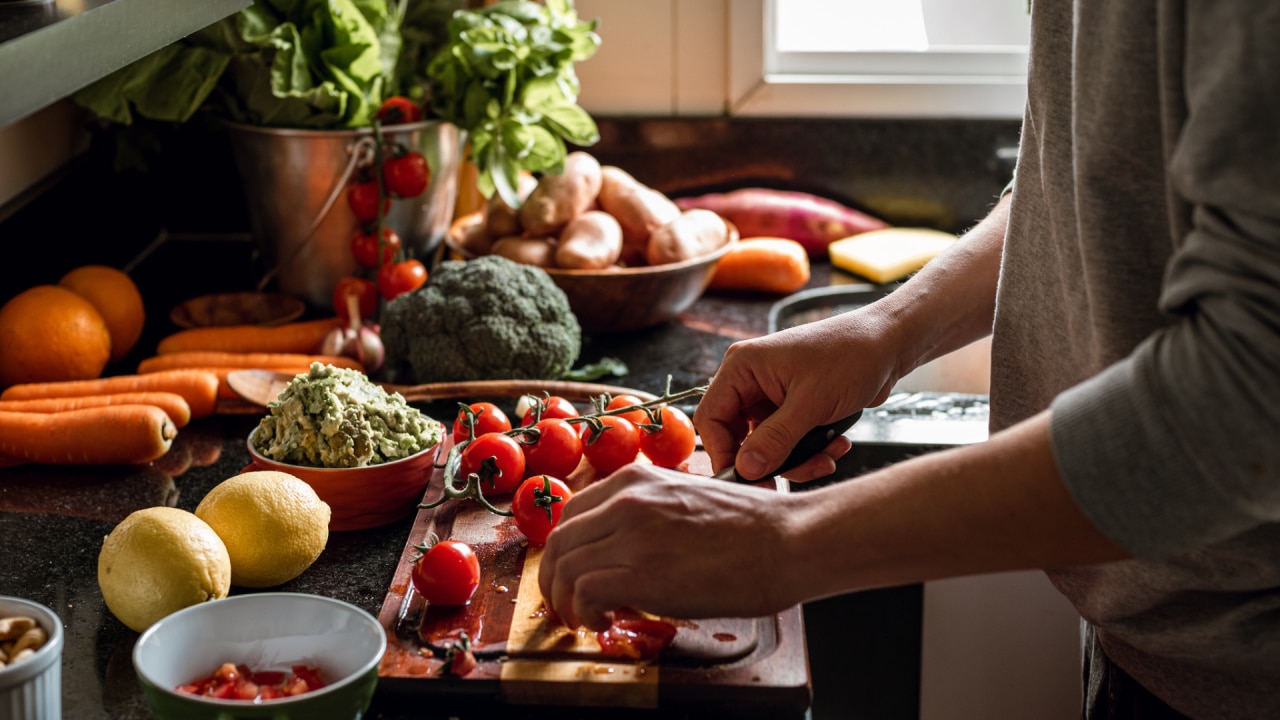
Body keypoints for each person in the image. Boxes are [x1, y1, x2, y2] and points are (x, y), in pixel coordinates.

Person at [538, 3, 1280, 718]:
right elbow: (1091, 175)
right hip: (1154, 633)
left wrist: (787, 542)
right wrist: (889, 328)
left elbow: (1251, 398)